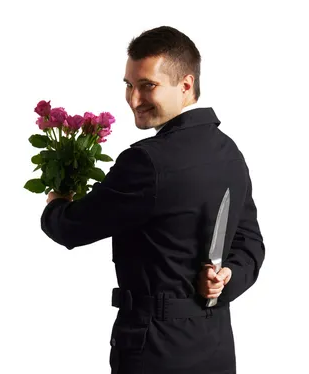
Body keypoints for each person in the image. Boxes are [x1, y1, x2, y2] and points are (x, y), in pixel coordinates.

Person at [40, 26, 265, 373]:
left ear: (186, 85)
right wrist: (229, 275)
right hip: (217, 350)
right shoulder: (229, 153)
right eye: (129, 85)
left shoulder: (146, 162)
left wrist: (56, 202)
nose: (133, 99)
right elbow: (250, 244)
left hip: (155, 352)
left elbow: (71, 228)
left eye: (147, 86)